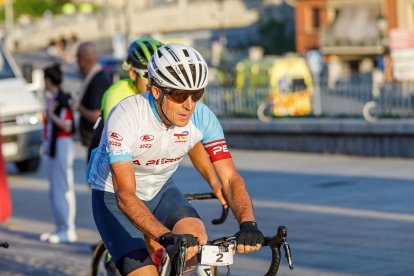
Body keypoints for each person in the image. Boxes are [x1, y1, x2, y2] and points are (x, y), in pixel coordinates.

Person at [88, 44, 264, 275]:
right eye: (180, 95)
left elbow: (230, 179)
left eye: (197, 94)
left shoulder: (202, 116)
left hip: (161, 190)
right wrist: (166, 236)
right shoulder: (126, 115)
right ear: (157, 90)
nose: (189, 105)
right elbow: (125, 195)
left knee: (197, 241)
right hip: (114, 197)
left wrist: (248, 223)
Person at [40, 64, 77, 244]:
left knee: (63, 187)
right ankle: (60, 226)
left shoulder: (61, 100)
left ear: (48, 80)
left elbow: (68, 125)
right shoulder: (54, 98)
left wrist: (50, 115)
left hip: (63, 144)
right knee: (56, 189)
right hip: (55, 146)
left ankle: (67, 228)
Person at [76, 41, 112, 161]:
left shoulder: (98, 81)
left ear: (83, 59)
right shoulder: (97, 77)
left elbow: (96, 115)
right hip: (94, 142)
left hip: (96, 143)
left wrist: (79, 107)